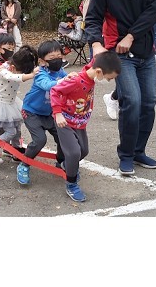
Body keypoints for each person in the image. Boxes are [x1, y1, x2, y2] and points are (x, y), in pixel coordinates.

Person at [85, 0, 156, 175]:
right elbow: (93, 17)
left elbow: (155, 9)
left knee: (148, 103)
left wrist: (131, 35)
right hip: (120, 54)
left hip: (145, 51)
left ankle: (139, 151)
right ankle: (126, 155)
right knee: (132, 101)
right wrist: (96, 44)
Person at [50, 50, 121, 201]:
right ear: (99, 72)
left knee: (83, 151)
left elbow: (95, 61)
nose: (109, 81)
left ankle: (65, 164)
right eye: (109, 78)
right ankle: (71, 184)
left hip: (80, 122)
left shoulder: (92, 72)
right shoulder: (76, 81)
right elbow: (55, 91)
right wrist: (57, 113)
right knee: (74, 153)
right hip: (65, 120)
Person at [17, 40, 76, 185]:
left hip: (49, 113)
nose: (57, 60)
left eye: (59, 56)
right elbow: (47, 85)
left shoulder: (60, 72)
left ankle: (61, 162)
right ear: (43, 61)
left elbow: (69, 85)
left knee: (63, 136)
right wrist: (64, 81)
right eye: (52, 58)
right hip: (31, 112)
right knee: (40, 140)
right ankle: (24, 164)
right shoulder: (39, 73)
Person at [0, 45, 39, 163]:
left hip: (11, 103)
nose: (22, 73)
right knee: (11, 131)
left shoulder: (13, 64)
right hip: (1, 104)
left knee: (17, 127)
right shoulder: (4, 71)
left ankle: (15, 149)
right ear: (13, 67)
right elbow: (15, 77)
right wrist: (32, 75)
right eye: (22, 72)